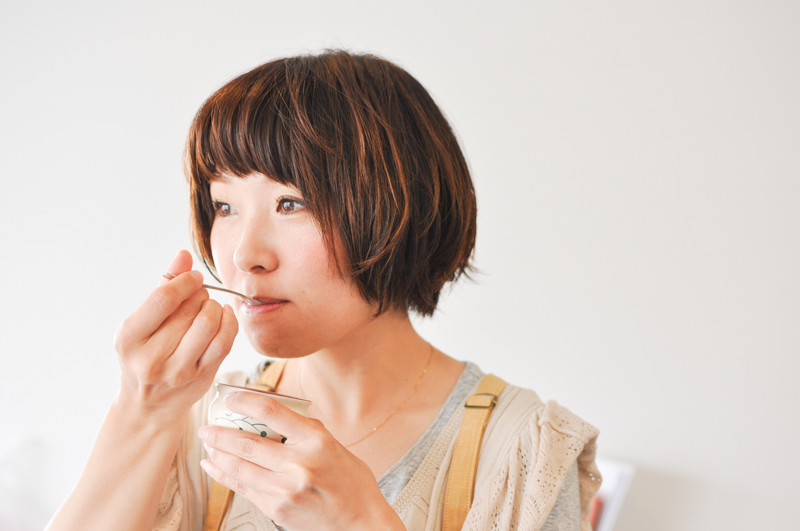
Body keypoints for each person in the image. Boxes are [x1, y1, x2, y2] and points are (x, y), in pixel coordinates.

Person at [45, 50, 600, 531]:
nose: (243, 255)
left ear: (398, 207)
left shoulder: (523, 450)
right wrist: (141, 410)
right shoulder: (191, 424)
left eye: (290, 203)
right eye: (224, 206)